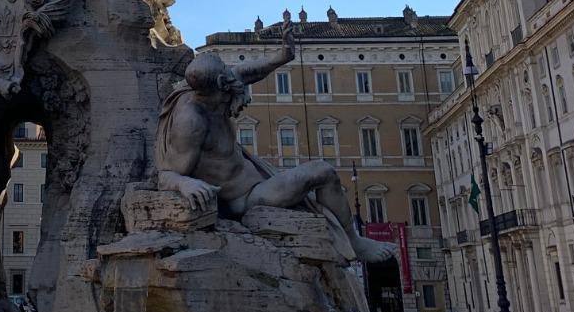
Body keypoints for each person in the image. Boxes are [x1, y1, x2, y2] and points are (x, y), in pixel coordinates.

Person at [155, 37, 395, 267]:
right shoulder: (191, 121)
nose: (235, 80)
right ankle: (355, 242)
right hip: (248, 198)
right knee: (323, 172)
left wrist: (282, 56)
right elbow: (166, 174)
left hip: (260, 176)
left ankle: (351, 238)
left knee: (319, 177)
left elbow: (247, 72)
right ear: (220, 85)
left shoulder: (210, 88)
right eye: (228, 77)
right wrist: (185, 184)